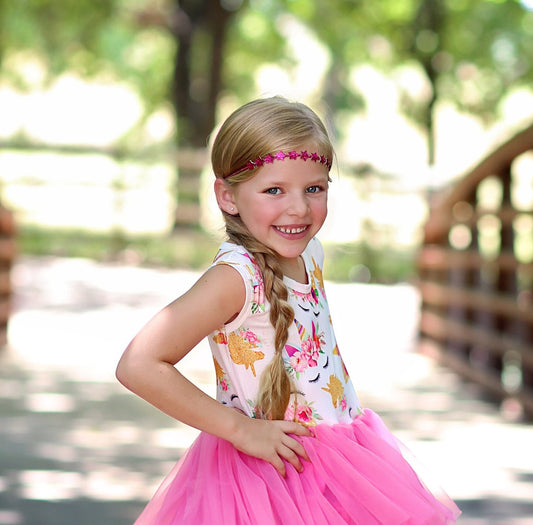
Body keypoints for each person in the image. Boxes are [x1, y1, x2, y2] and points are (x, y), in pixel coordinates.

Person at [116, 96, 461, 524]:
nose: (298, 208)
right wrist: (242, 430)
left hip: (337, 467)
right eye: (274, 190)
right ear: (228, 196)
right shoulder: (235, 278)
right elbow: (139, 364)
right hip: (269, 476)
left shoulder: (309, 253)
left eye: (313, 189)